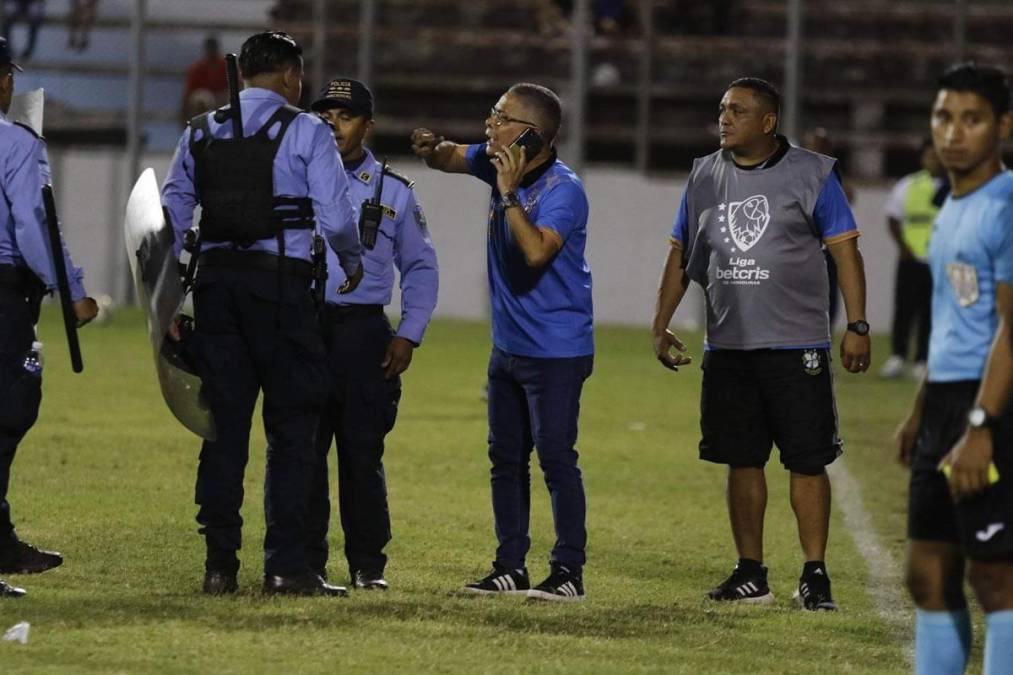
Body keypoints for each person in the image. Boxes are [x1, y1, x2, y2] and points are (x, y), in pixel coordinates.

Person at [652, 77, 871, 611]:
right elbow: (682, 254)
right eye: (723, 108)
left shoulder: (814, 172)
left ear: (768, 122)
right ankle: (751, 571)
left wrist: (857, 325)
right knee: (741, 460)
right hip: (728, 346)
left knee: (806, 460)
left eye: (738, 110)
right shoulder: (704, 174)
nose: (725, 118)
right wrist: (660, 324)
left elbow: (845, 252)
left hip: (797, 346)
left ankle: (814, 573)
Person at [161, 31, 363, 598]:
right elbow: (337, 217)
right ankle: (284, 567)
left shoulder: (197, 132)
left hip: (217, 292)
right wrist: (351, 262)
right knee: (293, 431)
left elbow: (171, 219)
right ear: (291, 77)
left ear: (244, 73)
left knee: (223, 430)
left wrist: (170, 301)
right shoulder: (306, 130)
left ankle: (219, 565)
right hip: (282, 294)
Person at [411, 83, 594, 601]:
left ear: (531, 135)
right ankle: (510, 566)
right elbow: (450, 157)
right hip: (509, 346)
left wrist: (510, 194)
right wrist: (433, 148)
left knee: (556, 458)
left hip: (557, 350)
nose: (489, 124)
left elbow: (536, 252)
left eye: (500, 117)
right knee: (506, 458)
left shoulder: (564, 190)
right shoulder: (494, 162)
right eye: (492, 113)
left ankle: (567, 573)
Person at [894, 62, 1013, 675]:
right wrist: (921, 411)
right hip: (945, 403)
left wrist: (982, 424)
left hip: (991, 403)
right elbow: (949, 322)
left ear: (1003, 127)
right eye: (944, 116)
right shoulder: (948, 206)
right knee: (927, 575)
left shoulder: (1007, 203)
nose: (954, 132)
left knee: (996, 580)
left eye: (973, 119)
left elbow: (1010, 327)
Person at [304, 78, 438, 590]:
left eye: (346, 114)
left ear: (369, 125)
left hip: (363, 334)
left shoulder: (395, 192)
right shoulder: (292, 181)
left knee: (362, 454)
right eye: (325, 114)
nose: (333, 123)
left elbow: (422, 267)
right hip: (305, 328)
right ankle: (305, 563)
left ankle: (368, 566)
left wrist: (409, 333)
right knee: (304, 452)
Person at [0, 37, 98, 598]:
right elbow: (34, 227)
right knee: (7, 414)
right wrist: (73, 288)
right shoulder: (17, 145)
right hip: (4, 297)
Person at [880, 139, 948, 380]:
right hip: (910, 258)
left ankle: (922, 359)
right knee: (904, 309)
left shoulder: (955, 186)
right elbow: (892, 217)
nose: (934, 160)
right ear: (922, 158)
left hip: (939, 260)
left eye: (938, 155)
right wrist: (903, 247)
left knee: (931, 312)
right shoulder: (909, 185)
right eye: (930, 155)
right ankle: (898, 357)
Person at [181, 37, 229, 127]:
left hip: (223, 99)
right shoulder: (197, 68)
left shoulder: (226, 66)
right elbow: (188, 93)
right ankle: (200, 127)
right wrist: (183, 117)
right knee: (201, 100)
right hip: (205, 100)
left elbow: (238, 86)